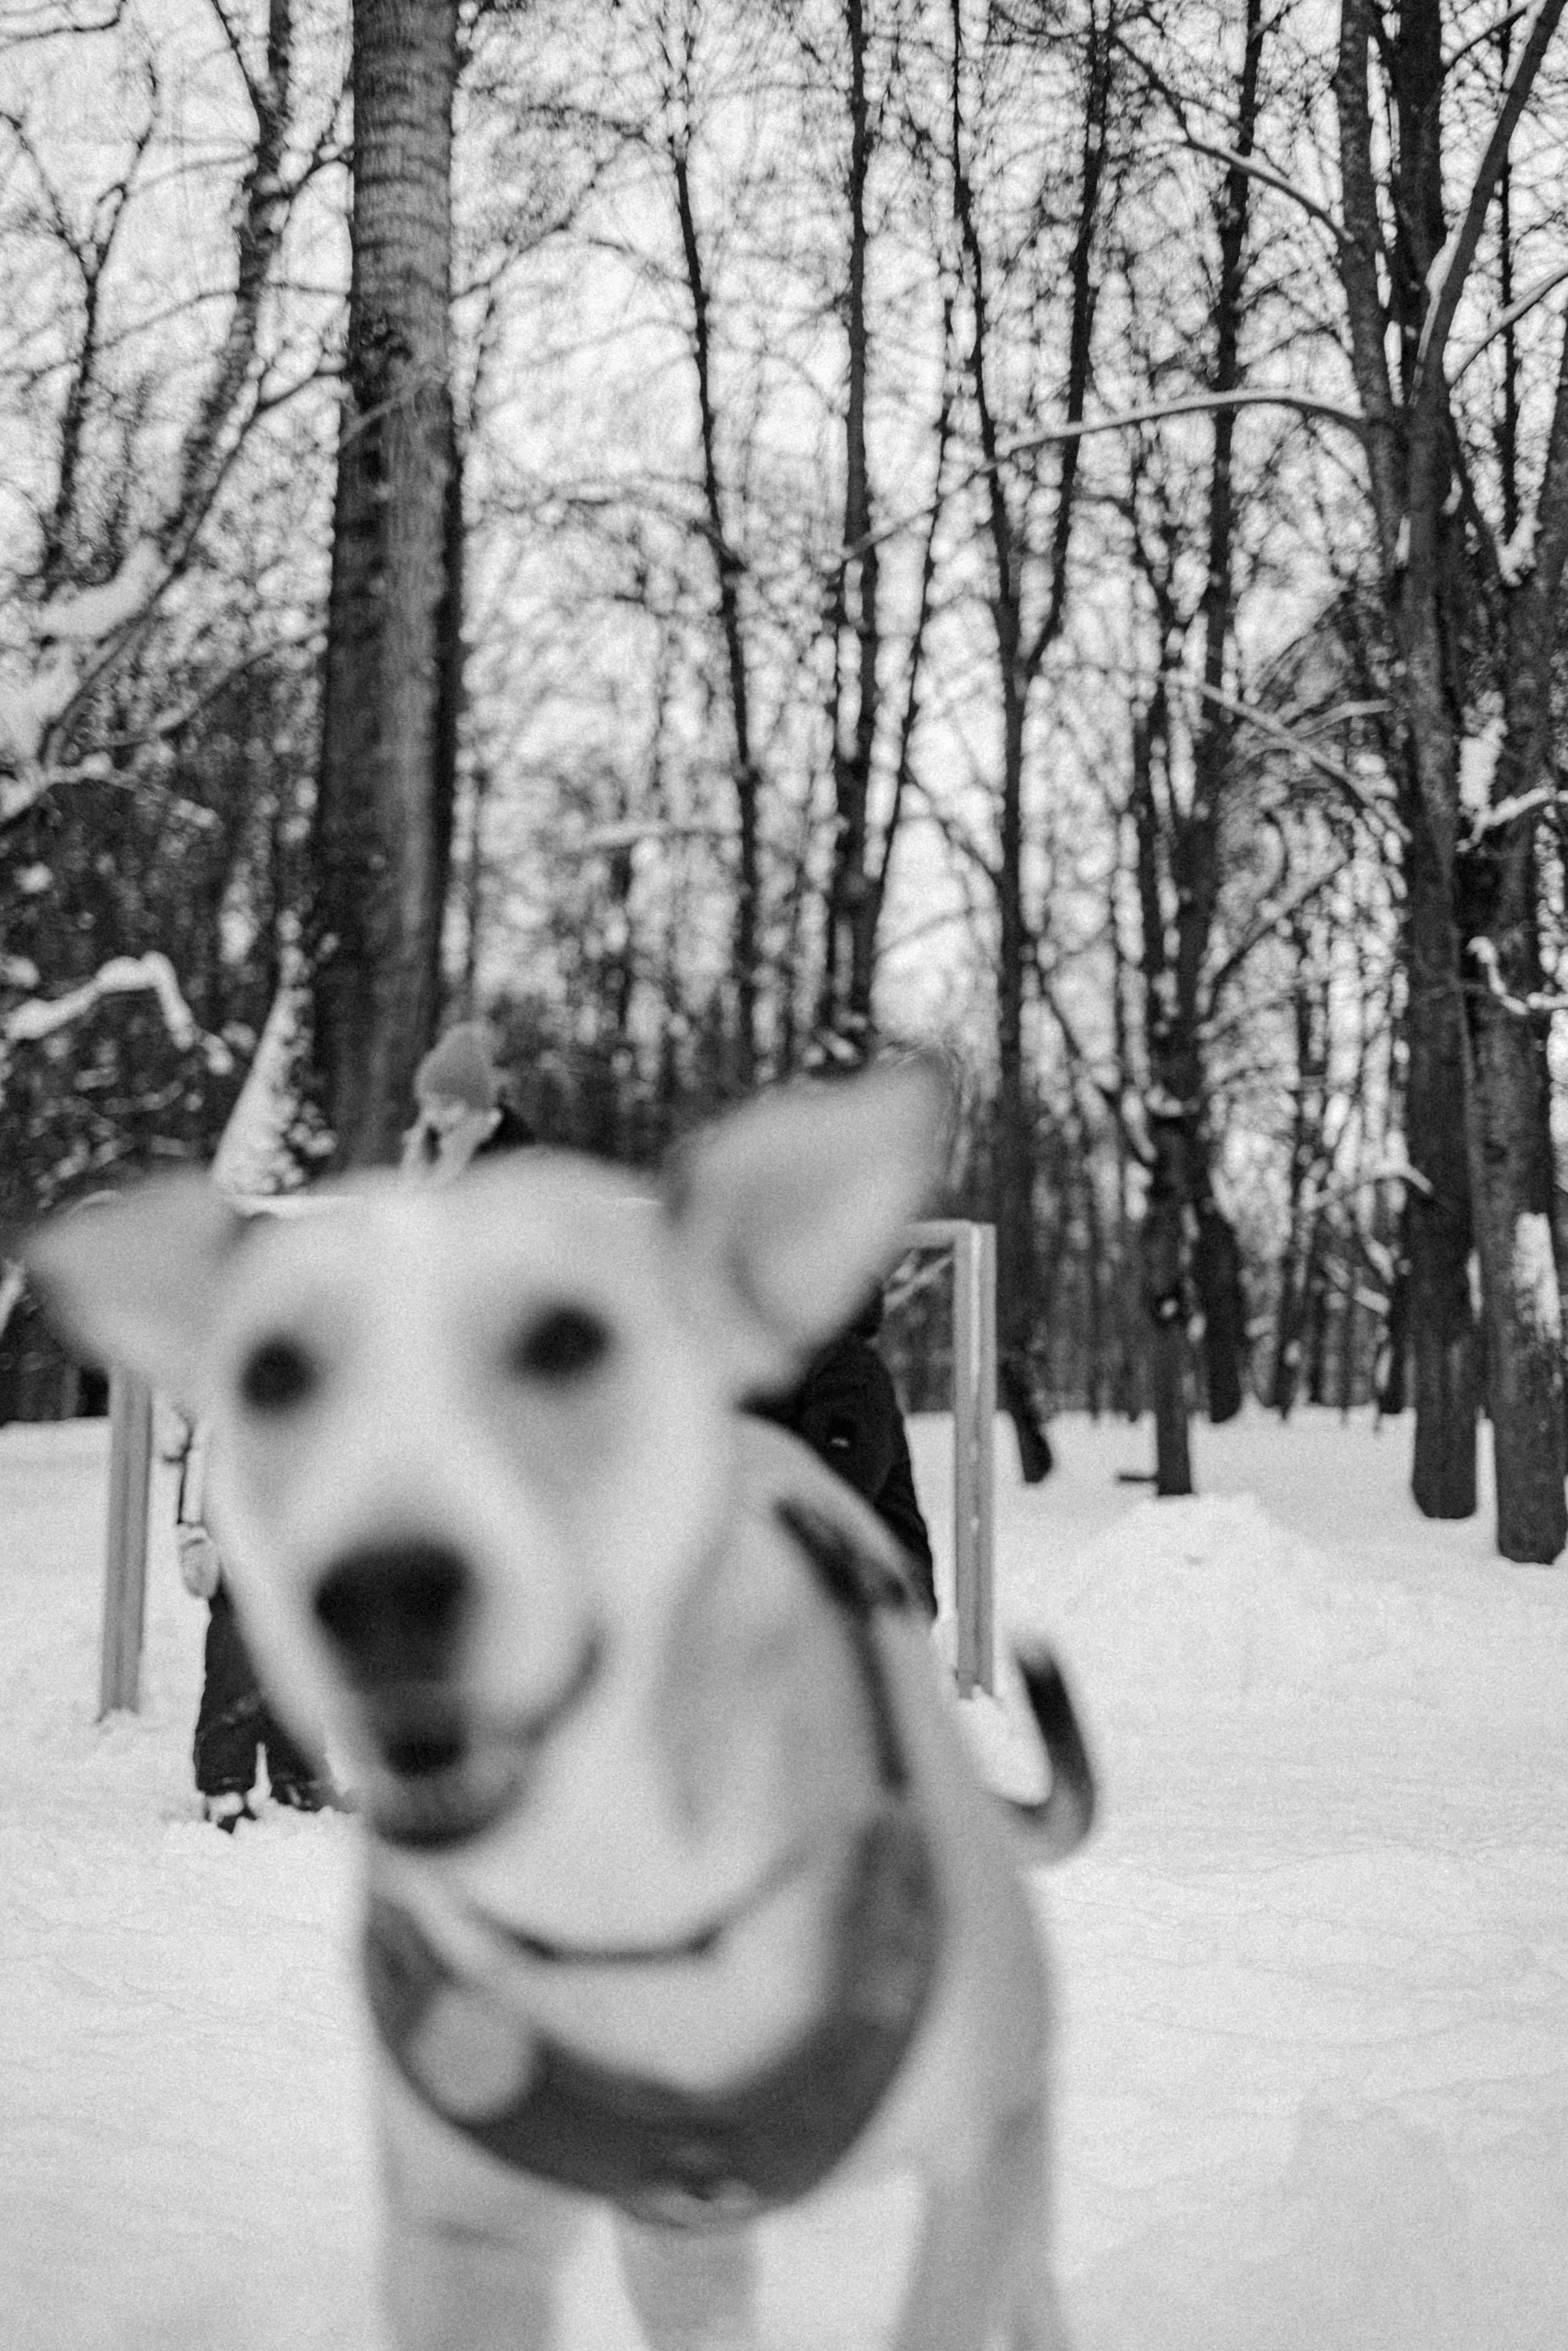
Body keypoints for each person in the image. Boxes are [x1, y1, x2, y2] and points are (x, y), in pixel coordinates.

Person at [172, 1420, 337, 1828]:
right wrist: (194, 1537)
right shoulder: (226, 1403)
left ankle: (299, 1774)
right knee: (237, 1671)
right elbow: (199, 1468)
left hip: (294, 1547)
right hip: (236, 1557)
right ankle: (224, 1784)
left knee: (298, 1666)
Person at [752, 1289, 938, 1619]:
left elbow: (835, 1493)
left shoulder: (847, 1368)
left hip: (875, 1605)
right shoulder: (771, 1369)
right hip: (820, 1595)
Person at [400, 1021, 535, 1185]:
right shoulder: (427, 1139)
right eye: (428, 1104)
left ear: (477, 1107)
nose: (435, 1114)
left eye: (447, 1104)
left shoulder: (516, 1152)